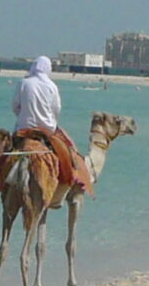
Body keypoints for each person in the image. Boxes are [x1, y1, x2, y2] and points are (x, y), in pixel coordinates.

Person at [12, 55, 91, 188]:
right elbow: (56, 109)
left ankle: (0, 184)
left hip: (23, 128)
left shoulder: (23, 83)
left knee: (3, 153)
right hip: (47, 130)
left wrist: (24, 117)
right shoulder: (52, 86)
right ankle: (70, 181)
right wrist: (51, 121)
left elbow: (15, 106)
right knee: (69, 150)